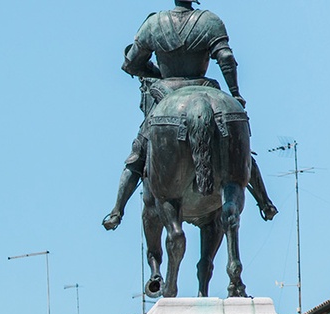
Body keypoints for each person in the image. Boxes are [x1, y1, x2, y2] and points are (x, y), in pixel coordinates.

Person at [102, 0, 276, 231]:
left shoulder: (154, 23)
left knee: (138, 154)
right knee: (240, 151)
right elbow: (225, 58)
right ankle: (264, 202)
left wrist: (156, 73)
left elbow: (131, 64)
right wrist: (235, 94)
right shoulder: (209, 20)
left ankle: (117, 211)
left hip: (167, 93)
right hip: (207, 88)